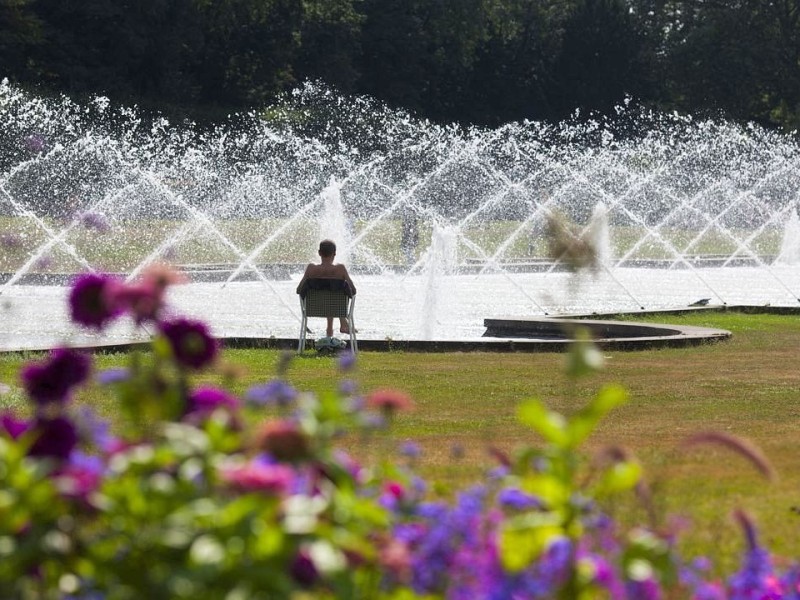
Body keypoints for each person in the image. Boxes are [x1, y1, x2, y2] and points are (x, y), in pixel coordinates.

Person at [296, 239, 357, 337]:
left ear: (319, 253)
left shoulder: (311, 268)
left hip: (314, 308)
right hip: (338, 309)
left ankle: (330, 329)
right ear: (334, 254)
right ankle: (342, 322)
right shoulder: (340, 269)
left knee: (327, 292)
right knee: (335, 290)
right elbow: (353, 290)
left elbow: (298, 290)